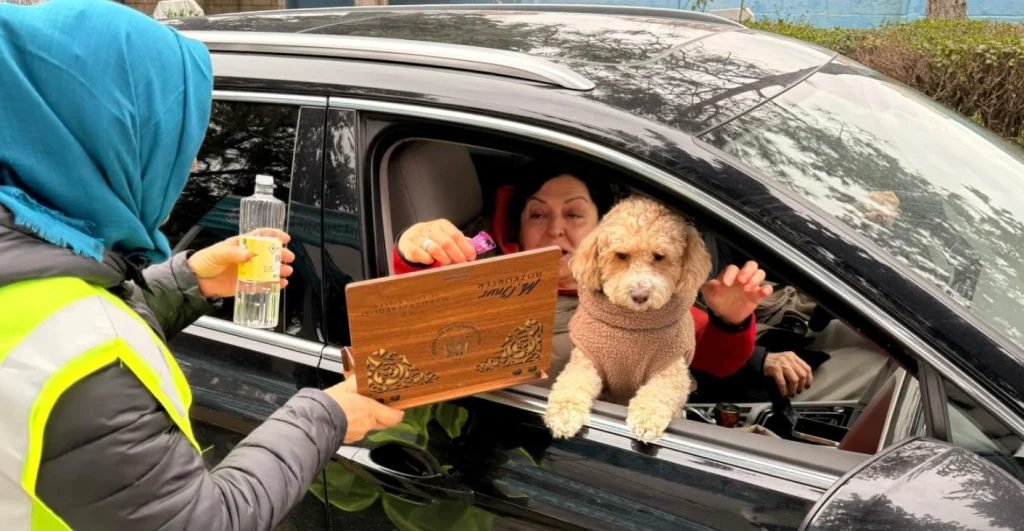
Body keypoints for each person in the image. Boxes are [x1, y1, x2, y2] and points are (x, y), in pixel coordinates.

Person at [0, 1, 402, 530]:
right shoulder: (86, 363)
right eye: (177, 140)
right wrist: (327, 417)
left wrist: (189, 281)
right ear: (111, 139)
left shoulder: (24, 264)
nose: (192, 163)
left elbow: (56, 313)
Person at [393, 159, 772, 380]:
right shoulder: (479, 276)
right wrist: (414, 253)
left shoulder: (638, 291)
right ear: (517, 228)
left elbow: (714, 361)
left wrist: (730, 322)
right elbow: (409, 325)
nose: (555, 228)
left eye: (574, 214)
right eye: (537, 214)